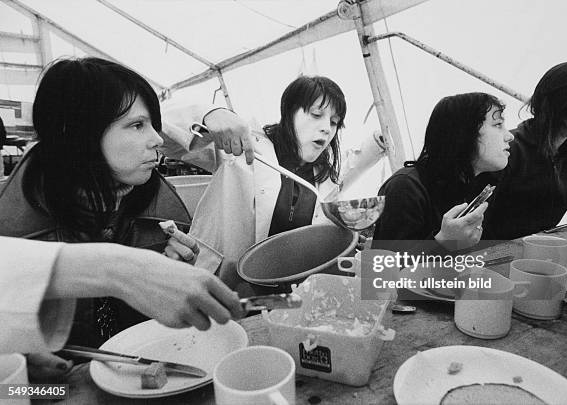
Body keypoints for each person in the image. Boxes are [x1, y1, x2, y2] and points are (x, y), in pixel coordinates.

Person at [0, 57, 237, 350]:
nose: (156, 140)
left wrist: (167, 275)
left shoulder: (157, 202)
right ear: (77, 134)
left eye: (152, 124)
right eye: (137, 125)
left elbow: (142, 331)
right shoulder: (15, 234)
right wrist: (24, 359)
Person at [189, 75, 348, 294]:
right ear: (289, 112)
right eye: (316, 115)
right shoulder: (243, 150)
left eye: (334, 122)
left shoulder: (324, 178)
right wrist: (211, 114)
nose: (327, 129)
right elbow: (166, 135)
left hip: (286, 298)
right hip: (223, 287)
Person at [0, 237, 244, 379]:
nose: (160, 145)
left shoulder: (156, 204)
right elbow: (15, 392)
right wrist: (22, 386)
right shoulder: (22, 219)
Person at [484, 61, 567, 240]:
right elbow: (475, 218)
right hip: (494, 255)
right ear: (562, 102)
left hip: (543, 248)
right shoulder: (508, 149)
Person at [373, 92, 513, 252]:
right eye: (498, 125)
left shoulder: (478, 183)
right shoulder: (405, 188)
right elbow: (382, 270)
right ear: (464, 133)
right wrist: (444, 242)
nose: (509, 136)